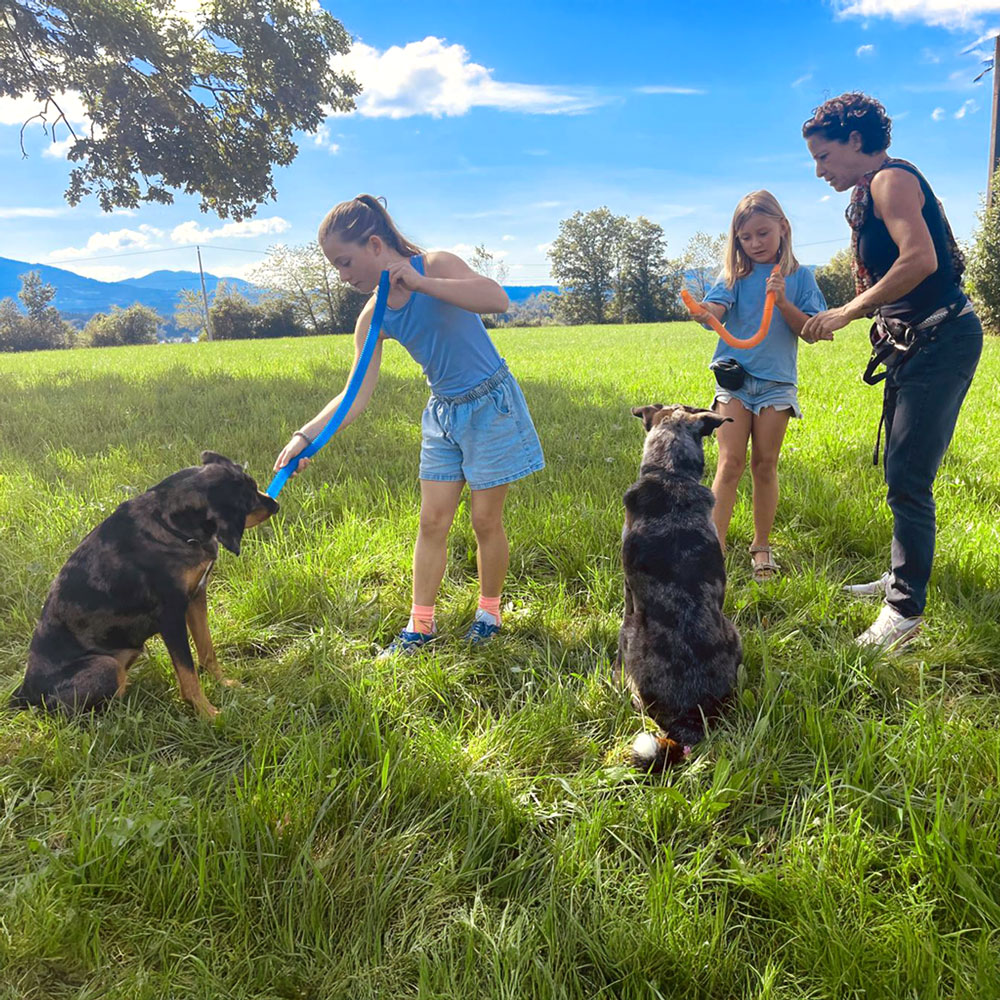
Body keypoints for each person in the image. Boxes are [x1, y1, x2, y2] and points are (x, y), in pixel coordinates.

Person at [273, 195, 545, 655]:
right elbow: (354, 393)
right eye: (336, 266)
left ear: (374, 243)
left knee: (484, 520)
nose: (342, 275)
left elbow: (496, 299)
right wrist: (306, 437)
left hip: (490, 405)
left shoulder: (435, 264)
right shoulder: (373, 316)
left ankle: (490, 613)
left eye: (345, 261)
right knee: (432, 521)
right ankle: (420, 626)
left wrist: (422, 283)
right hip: (443, 415)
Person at [801, 92, 983, 649]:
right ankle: (903, 572)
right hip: (915, 342)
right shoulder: (869, 192)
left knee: (908, 475)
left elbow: (920, 259)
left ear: (856, 141)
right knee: (901, 471)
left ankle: (903, 613)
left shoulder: (890, 181)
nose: (820, 170)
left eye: (824, 156)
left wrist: (851, 311)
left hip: (941, 339)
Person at [688, 190, 828, 582]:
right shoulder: (735, 275)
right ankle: (713, 545)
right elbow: (716, 309)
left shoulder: (800, 278)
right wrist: (704, 313)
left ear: (783, 228)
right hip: (734, 380)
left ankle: (761, 546)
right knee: (729, 463)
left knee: (764, 465)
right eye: (745, 238)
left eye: (762, 233)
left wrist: (783, 302)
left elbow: (812, 331)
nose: (754, 244)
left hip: (776, 386)